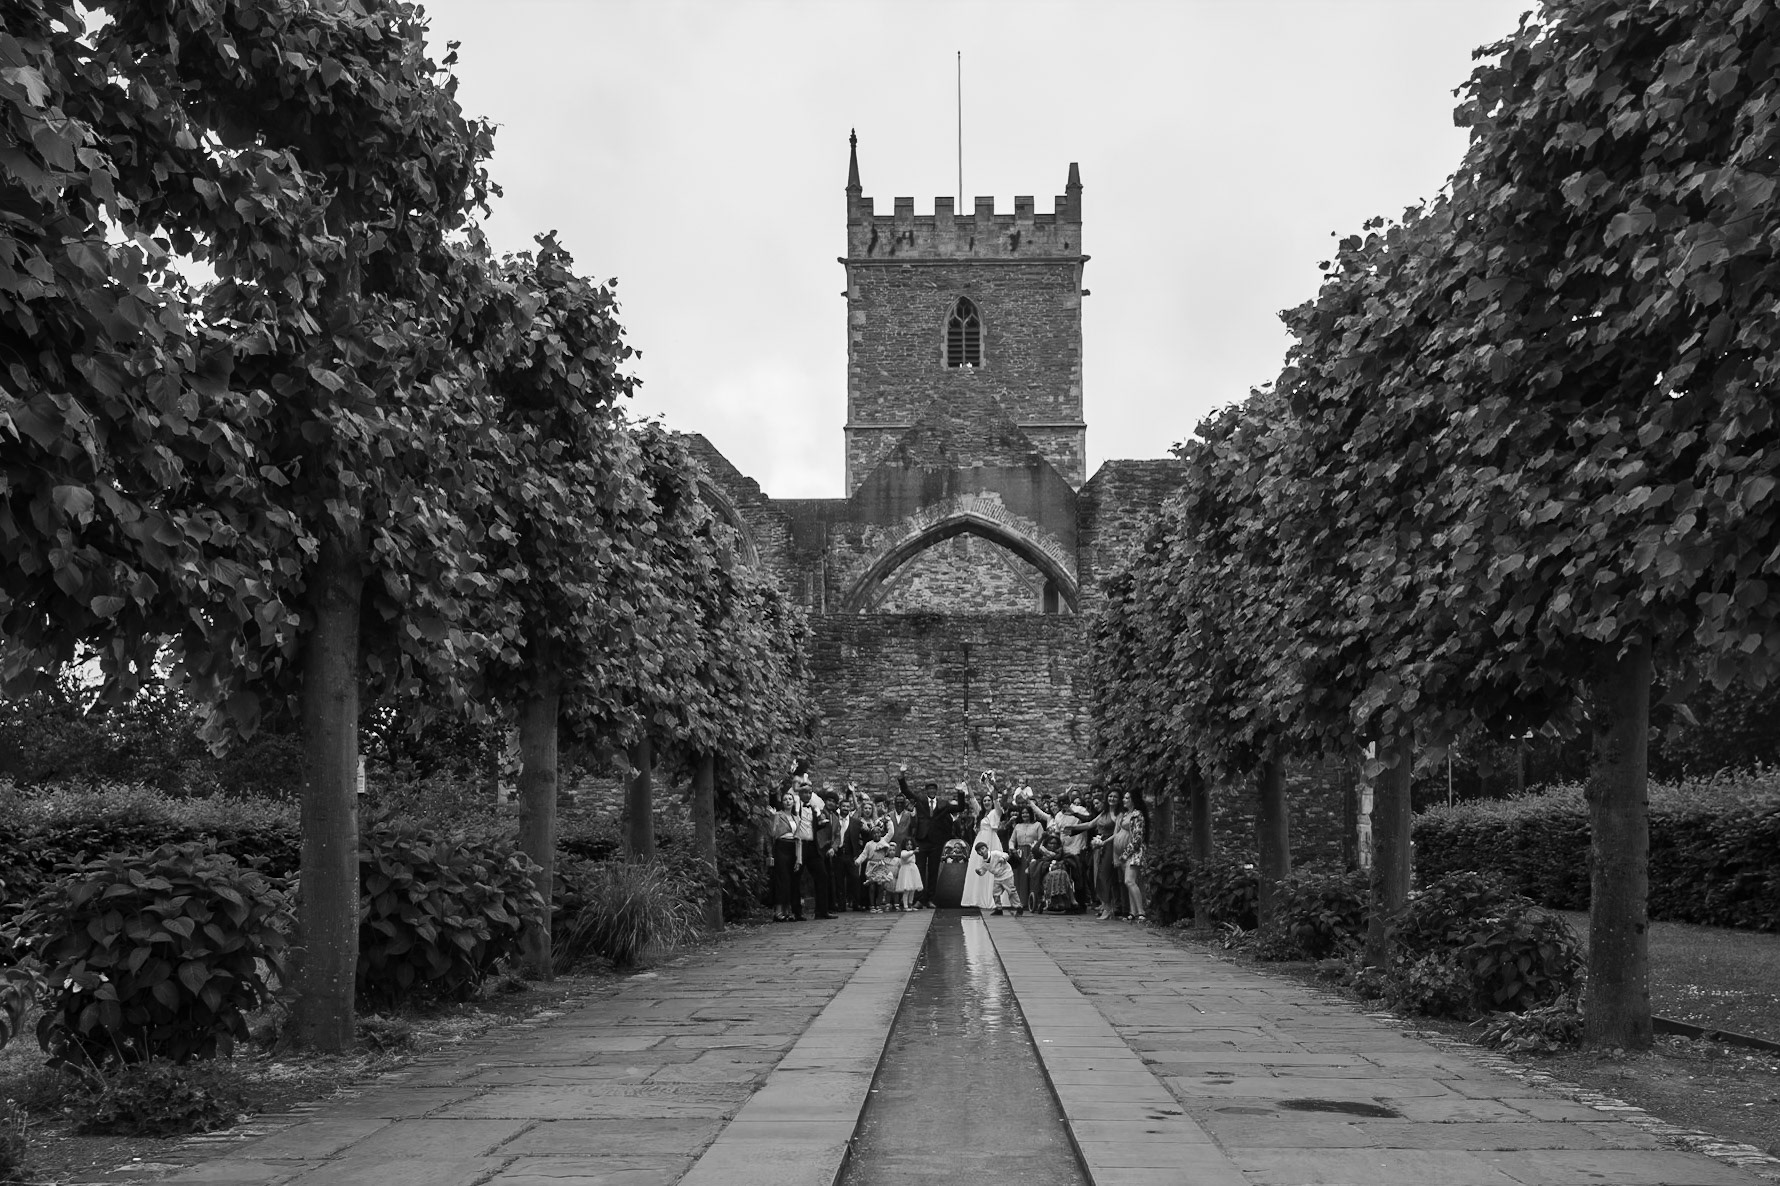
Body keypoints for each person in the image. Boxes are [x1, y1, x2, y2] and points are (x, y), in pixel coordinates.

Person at [904, 765, 957, 908]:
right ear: (926, 790)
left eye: (934, 789)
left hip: (936, 842)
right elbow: (906, 791)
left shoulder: (943, 803)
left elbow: (960, 808)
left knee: (933, 871)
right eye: (929, 789)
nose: (932, 791)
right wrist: (902, 775)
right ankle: (920, 899)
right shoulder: (920, 801)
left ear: (936, 790)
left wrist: (961, 793)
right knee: (919, 870)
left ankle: (931, 899)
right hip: (922, 839)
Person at [960, 775, 1005, 911]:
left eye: (988, 800)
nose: (986, 802)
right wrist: (968, 785)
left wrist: (991, 784)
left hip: (992, 841)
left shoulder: (996, 812)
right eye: (984, 800)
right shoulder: (980, 813)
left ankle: (994, 899)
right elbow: (972, 799)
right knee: (979, 867)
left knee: (993, 868)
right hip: (980, 841)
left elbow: (997, 797)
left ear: (992, 802)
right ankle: (977, 897)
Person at [769, 789, 803, 922]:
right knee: (782, 880)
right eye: (785, 799)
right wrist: (773, 817)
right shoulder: (777, 815)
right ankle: (778, 912)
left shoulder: (797, 818)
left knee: (791, 880)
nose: (788, 801)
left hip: (793, 847)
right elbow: (772, 833)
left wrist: (799, 859)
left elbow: (799, 838)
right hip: (781, 846)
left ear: (793, 802)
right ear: (782, 802)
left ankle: (787, 911)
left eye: (790, 799)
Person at [1114, 790, 1148, 922]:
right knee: (1128, 882)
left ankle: (1141, 912)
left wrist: (1125, 853)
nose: (1124, 800)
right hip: (1125, 853)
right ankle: (1132, 912)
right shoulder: (1126, 814)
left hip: (1134, 852)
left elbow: (1137, 838)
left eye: (1127, 798)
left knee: (1130, 881)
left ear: (1133, 800)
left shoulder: (1137, 815)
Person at [893, 841, 923, 911]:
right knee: (906, 890)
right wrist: (913, 852)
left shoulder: (912, 853)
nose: (909, 846)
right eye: (907, 844)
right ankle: (905, 906)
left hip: (913, 872)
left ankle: (910, 904)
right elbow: (904, 856)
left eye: (911, 844)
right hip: (906, 872)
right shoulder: (903, 852)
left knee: (912, 890)